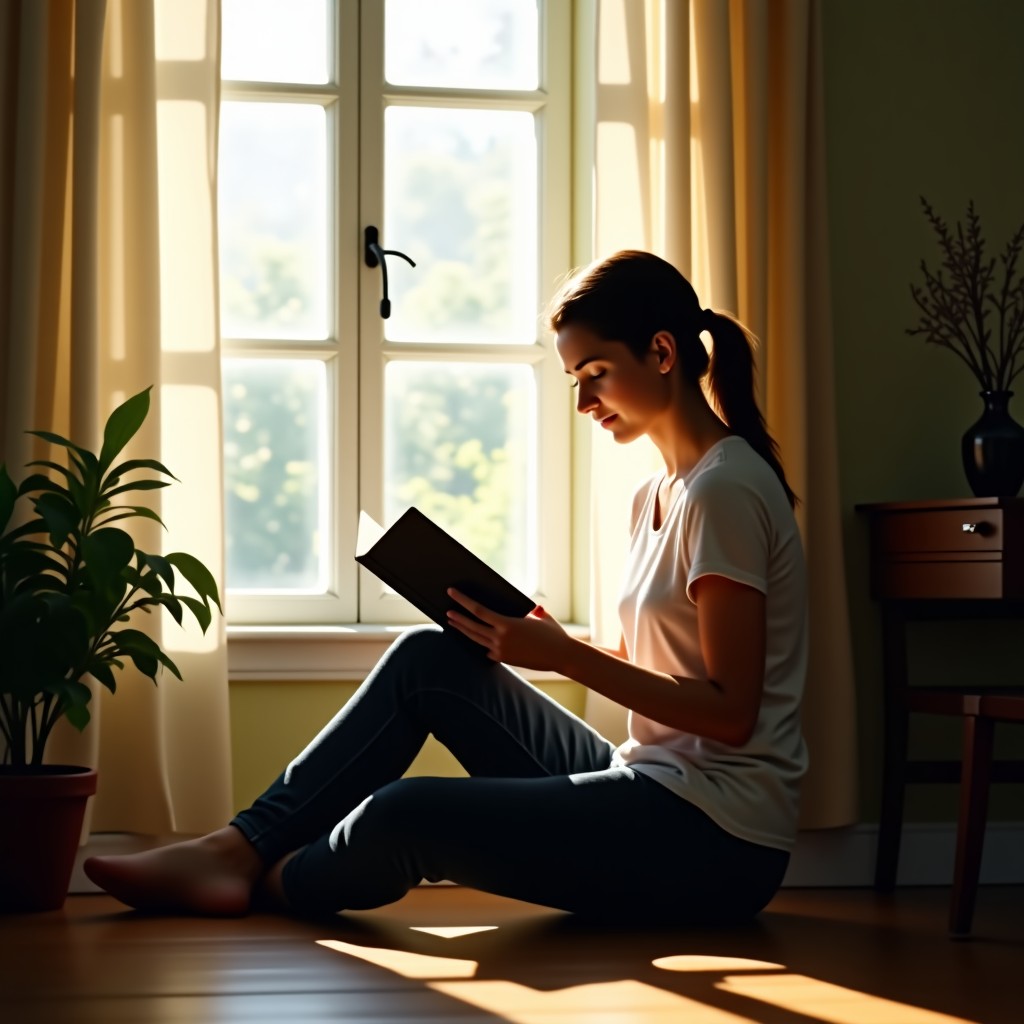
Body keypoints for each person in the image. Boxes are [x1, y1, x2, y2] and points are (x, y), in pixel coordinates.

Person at [85, 249, 807, 925]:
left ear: (661, 352)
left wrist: (560, 655)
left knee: (403, 814)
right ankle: (237, 850)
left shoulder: (726, 491)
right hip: (649, 784)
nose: (584, 400)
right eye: (574, 381)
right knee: (426, 659)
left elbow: (731, 713)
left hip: (714, 839)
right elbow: (660, 669)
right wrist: (524, 634)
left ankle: (264, 882)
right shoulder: (656, 490)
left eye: (595, 373)